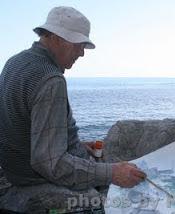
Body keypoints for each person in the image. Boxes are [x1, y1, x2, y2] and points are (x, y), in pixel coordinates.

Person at [0, 6, 146, 212]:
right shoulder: (51, 80)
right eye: (79, 45)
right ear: (58, 38)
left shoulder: (14, 62)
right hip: (36, 181)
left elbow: (22, 125)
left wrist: (69, 141)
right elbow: (50, 163)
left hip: (16, 171)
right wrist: (112, 173)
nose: (82, 53)